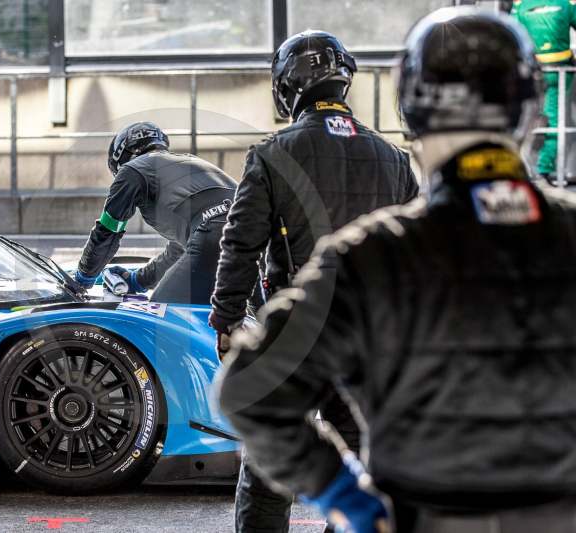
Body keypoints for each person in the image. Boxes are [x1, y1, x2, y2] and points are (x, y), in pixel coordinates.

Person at [220, 7, 576, 533]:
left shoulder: (370, 255)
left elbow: (249, 390)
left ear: (412, 109)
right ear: (529, 110)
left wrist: (350, 501)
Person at [209, 30, 418, 533]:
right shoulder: (395, 160)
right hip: (369, 342)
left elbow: (240, 246)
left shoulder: (272, 154)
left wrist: (226, 317)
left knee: (267, 469)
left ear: (286, 87)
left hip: (292, 337)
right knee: (361, 468)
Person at [74, 121, 237, 304]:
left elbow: (108, 231)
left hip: (215, 235)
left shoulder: (133, 169)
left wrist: (82, 279)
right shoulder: (189, 162)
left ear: (120, 155)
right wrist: (139, 280)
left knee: (162, 314)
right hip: (257, 233)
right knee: (257, 320)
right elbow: (180, 249)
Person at [511, 0, 576, 181]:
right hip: (559, 70)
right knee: (555, 120)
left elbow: (511, 34)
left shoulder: (521, 6)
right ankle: (543, 169)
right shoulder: (566, 4)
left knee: (529, 119)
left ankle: (525, 168)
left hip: (533, 73)